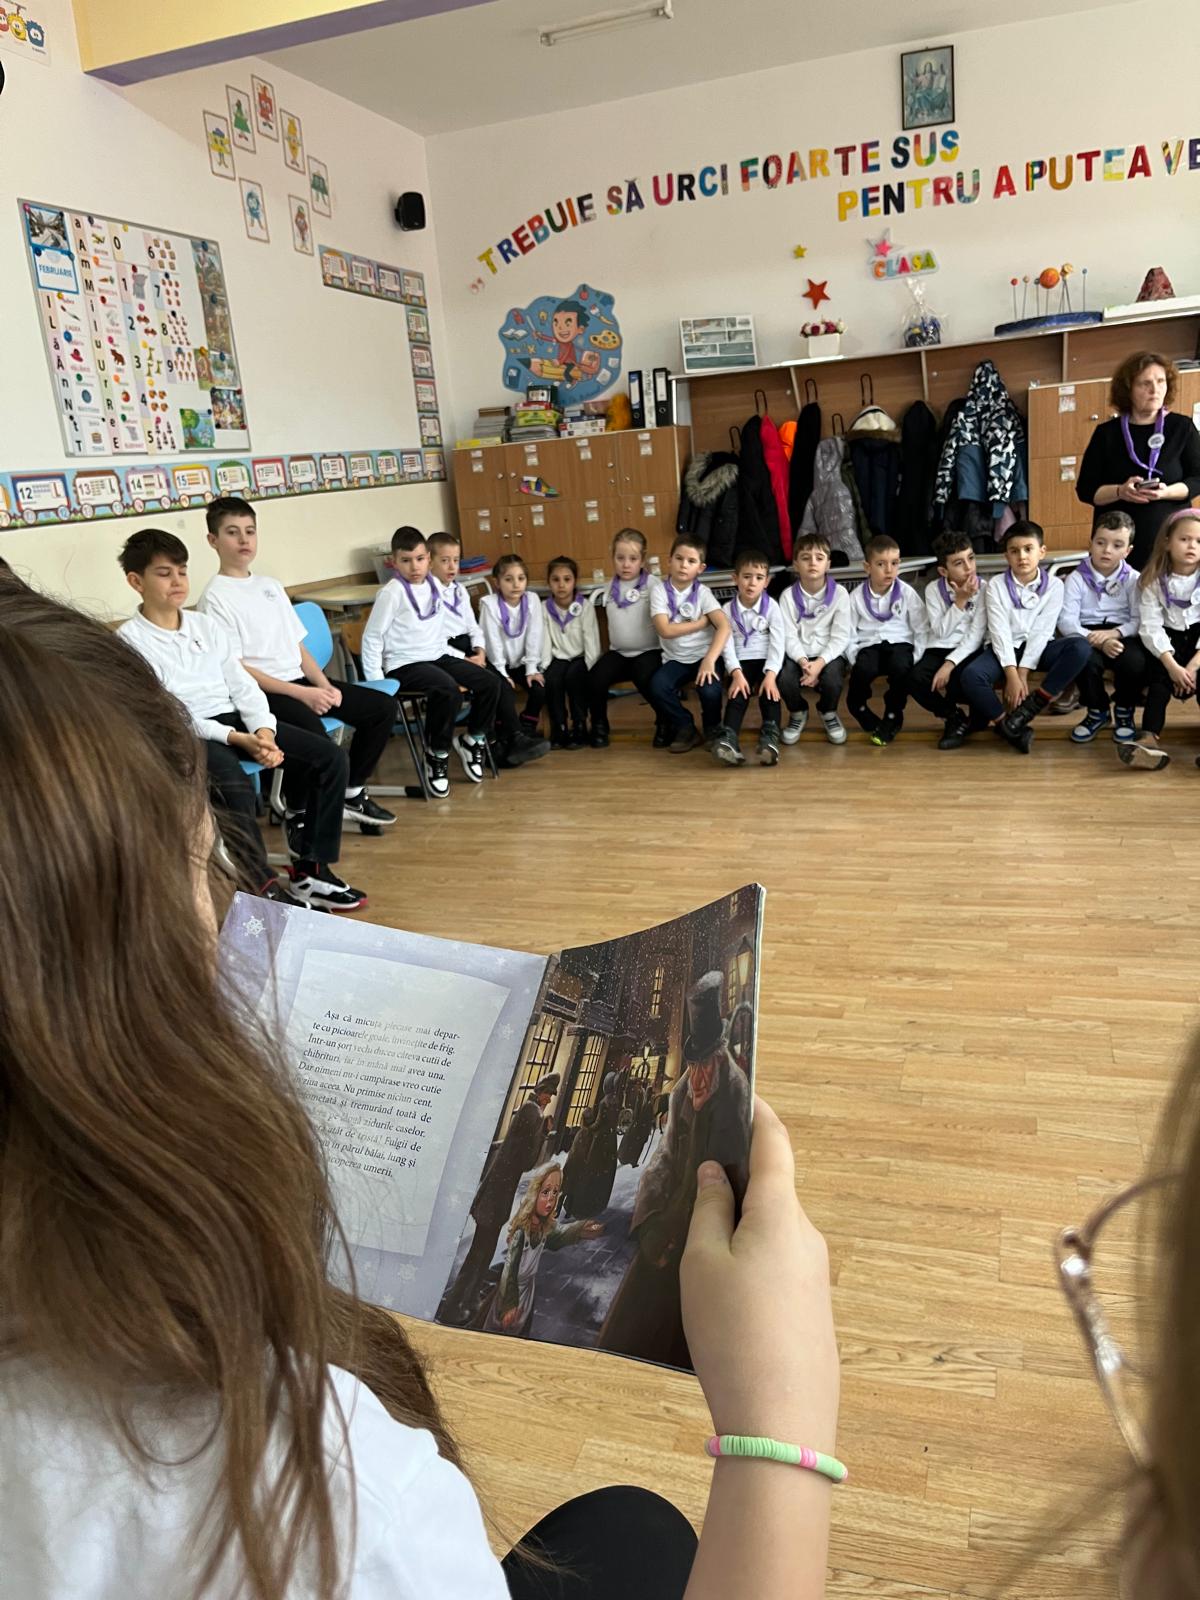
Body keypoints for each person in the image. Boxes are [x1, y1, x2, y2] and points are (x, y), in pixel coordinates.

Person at [0, 570, 843, 1600]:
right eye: (204, 869)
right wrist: (780, 1424)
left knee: (628, 1529)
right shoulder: (309, 1492)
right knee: (645, 1538)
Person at [115, 530, 310, 909]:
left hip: (233, 722)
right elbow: (169, 713)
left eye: (182, 571)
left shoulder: (204, 625)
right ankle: (261, 885)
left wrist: (264, 730)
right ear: (136, 582)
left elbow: (243, 685)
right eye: (164, 573)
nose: (177, 582)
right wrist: (235, 738)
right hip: (183, 734)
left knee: (324, 758)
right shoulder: (129, 643)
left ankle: (311, 867)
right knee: (233, 785)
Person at [197, 496, 395, 867]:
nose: (244, 540)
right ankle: (297, 813)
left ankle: (352, 791)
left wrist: (323, 685)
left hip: (301, 680)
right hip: (266, 691)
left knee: (381, 707)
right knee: (316, 743)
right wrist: (302, 694)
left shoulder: (270, 586)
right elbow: (237, 667)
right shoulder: (215, 598)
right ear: (213, 541)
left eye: (250, 531)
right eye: (232, 533)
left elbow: (297, 645)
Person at [597, 972, 753, 1369]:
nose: (698, 1077)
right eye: (693, 1065)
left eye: (705, 1065)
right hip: (669, 1219)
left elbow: (732, 1178)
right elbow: (665, 1158)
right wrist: (648, 1221)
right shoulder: (684, 1088)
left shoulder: (735, 1093)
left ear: (719, 1058)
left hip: (707, 1226)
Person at [361, 526, 502, 797]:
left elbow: (439, 635)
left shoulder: (435, 586)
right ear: (393, 562)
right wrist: (377, 684)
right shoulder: (392, 593)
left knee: (489, 682)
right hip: (404, 664)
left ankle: (472, 740)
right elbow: (372, 638)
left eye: (420, 559)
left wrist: (463, 658)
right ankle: (437, 754)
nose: (414, 567)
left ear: (428, 558)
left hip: (437, 656)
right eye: (406, 560)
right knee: (447, 690)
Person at [960, 520, 1091, 754]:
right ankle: (1007, 725)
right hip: (1003, 649)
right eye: (1014, 551)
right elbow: (999, 631)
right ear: (1006, 556)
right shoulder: (995, 585)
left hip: (1039, 648)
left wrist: (1022, 673)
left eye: (1028, 549)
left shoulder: (1054, 586)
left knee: (1080, 647)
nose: (1022, 556)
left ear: (1042, 552)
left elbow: (1042, 631)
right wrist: (1011, 674)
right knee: (971, 675)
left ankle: (1030, 707)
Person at [440, 1074, 560, 1325]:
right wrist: (544, 1133)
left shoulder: (528, 1110)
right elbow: (529, 1161)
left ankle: (467, 1301)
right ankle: (455, 1307)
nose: (549, 1099)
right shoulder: (532, 1114)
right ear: (541, 1091)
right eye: (548, 1094)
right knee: (479, 1254)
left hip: (496, 1193)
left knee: (481, 1252)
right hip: (496, 1196)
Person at [427, 531, 549, 768]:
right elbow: (434, 639)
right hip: (447, 652)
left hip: (469, 648)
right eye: (445, 560)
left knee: (500, 685)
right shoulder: (427, 594)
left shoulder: (459, 590)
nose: (452, 566)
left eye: (456, 560)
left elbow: (473, 627)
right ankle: (500, 741)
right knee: (494, 685)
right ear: (430, 562)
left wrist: (480, 650)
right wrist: (465, 657)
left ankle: (506, 742)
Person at [1076, 351, 1200, 569]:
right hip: (1118, 545)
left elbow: (1197, 479)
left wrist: (1165, 492)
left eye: (1160, 381)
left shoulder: (1182, 427)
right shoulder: (1107, 433)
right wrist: (1120, 491)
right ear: (1128, 390)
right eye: (1145, 383)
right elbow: (1086, 489)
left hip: (1170, 542)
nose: (1155, 390)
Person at [477, 1163, 604, 1337]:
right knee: (498, 1332)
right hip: (510, 1292)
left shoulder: (544, 1226)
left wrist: (580, 1229)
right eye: (545, 1192)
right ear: (535, 1193)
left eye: (555, 1192)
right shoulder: (522, 1233)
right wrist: (509, 1305)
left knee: (521, 1330)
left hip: (528, 1289)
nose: (551, 1199)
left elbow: (558, 1234)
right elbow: (510, 1270)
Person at [1119, 508, 1200, 772]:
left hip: (1198, 650)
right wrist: (1172, 666)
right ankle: (1148, 742)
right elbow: (1150, 626)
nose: (1192, 546)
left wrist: (1192, 667)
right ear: (1167, 542)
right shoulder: (1152, 581)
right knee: (1158, 687)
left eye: (1199, 541)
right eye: (1184, 539)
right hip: (1167, 647)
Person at [1057, 510, 1147, 746]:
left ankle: (1125, 709)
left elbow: (1139, 620)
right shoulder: (1076, 578)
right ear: (1091, 544)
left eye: (1117, 545)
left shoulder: (1133, 579)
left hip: (1122, 631)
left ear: (1128, 551)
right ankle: (1097, 711)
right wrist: (1096, 640)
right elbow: (1066, 621)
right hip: (1086, 632)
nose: (1107, 550)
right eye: (1100, 543)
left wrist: (1114, 634)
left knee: (1135, 660)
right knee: (1082, 659)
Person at [647, 535, 732, 755]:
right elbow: (664, 630)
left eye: (691, 561)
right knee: (657, 686)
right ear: (669, 561)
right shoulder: (659, 591)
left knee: (710, 690)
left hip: (704, 656)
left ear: (700, 568)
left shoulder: (703, 593)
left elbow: (724, 626)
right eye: (679, 558)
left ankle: (712, 728)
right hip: (676, 659)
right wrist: (700, 623)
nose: (684, 565)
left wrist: (709, 660)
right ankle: (686, 727)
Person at [715, 548, 799, 767]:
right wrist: (736, 673)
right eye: (746, 576)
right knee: (737, 694)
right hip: (740, 663)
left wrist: (771, 675)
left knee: (770, 693)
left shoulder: (772, 607)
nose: (752, 583)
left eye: (759, 578)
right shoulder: (726, 610)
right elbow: (726, 646)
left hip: (766, 661)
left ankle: (769, 739)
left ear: (767, 582)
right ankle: (729, 739)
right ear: (735, 579)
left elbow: (778, 643)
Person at [906, 530, 989, 751]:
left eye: (971, 558)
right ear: (944, 571)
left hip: (969, 648)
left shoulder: (984, 588)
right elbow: (940, 631)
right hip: (939, 646)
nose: (969, 567)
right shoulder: (933, 590)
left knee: (959, 681)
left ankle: (976, 716)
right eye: (959, 563)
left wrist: (949, 664)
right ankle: (952, 715)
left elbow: (976, 635)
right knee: (915, 678)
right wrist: (960, 601)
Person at [845, 533, 928, 745]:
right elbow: (848, 631)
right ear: (867, 567)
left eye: (894, 563)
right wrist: (854, 657)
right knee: (863, 669)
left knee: (900, 667)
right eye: (881, 564)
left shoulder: (907, 593)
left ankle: (893, 714)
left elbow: (921, 626)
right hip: (869, 643)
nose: (889, 570)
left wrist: (915, 656)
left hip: (900, 643)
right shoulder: (855, 597)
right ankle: (858, 706)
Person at [587, 528, 665, 748]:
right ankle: (599, 726)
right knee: (595, 678)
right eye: (620, 558)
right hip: (619, 653)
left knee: (644, 677)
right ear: (613, 558)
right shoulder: (609, 587)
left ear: (642, 560)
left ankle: (665, 721)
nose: (626, 564)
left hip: (649, 651)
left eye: (632, 559)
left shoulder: (653, 585)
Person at [777, 531, 851, 745]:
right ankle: (798, 711)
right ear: (795, 564)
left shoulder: (840, 594)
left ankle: (828, 712)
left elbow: (840, 637)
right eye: (805, 558)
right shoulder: (787, 597)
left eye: (819, 558)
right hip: (798, 654)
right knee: (785, 679)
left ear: (828, 564)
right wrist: (803, 662)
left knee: (833, 681)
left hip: (828, 654)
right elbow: (788, 636)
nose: (812, 563)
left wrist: (819, 664)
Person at [479, 552, 546, 737]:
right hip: (496, 664)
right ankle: (505, 732)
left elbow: (535, 635)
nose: (516, 584)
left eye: (521, 578)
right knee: (504, 693)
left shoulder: (532, 600)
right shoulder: (489, 604)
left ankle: (527, 726)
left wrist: (531, 668)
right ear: (497, 582)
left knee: (539, 690)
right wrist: (502, 672)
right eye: (509, 579)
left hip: (522, 662)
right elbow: (492, 642)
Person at [540, 554, 601, 748]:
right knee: (552, 680)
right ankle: (559, 727)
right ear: (548, 582)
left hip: (581, 657)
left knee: (575, 678)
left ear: (575, 581)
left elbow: (592, 640)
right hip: (558, 658)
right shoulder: (544, 608)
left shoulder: (585, 606)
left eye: (567, 579)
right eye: (555, 580)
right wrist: (544, 666)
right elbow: (544, 640)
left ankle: (579, 725)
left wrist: (590, 667)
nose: (561, 585)